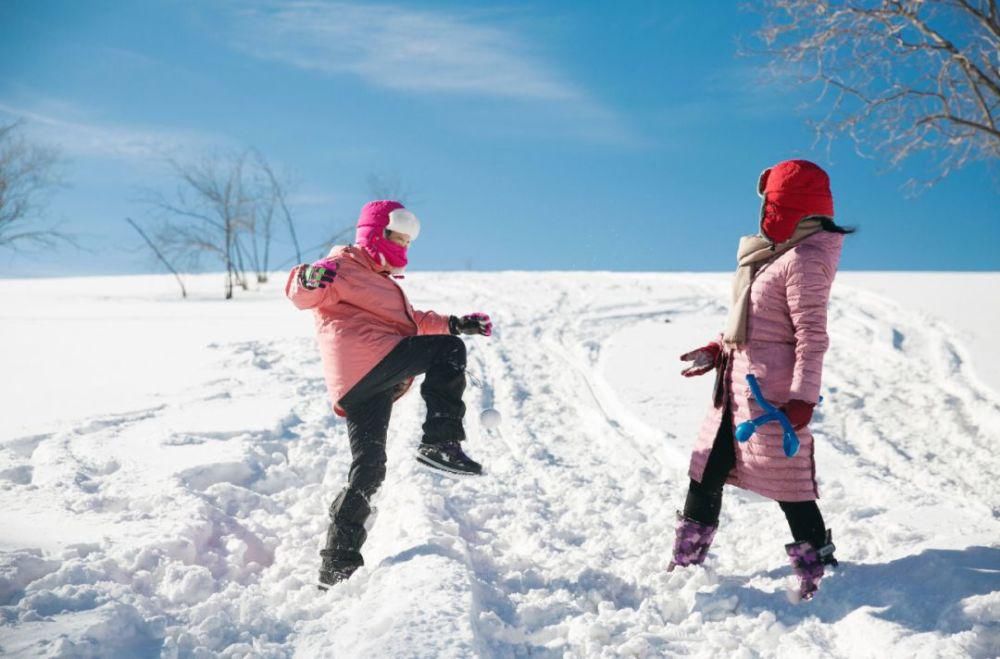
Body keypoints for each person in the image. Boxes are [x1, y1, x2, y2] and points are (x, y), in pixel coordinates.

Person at [286, 200, 492, 588]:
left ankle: (337, 564)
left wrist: (455, 323)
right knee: (448, 351)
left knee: (369, 469)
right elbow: (302, 290)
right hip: (370, 361)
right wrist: (309, 279)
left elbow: (414, 323)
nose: (402, 248)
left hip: (363, 385)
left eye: (408, 242)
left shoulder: (382, 283)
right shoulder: (344, 267)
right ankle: (440, 441)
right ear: (375, 233)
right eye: (396, 238)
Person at [673, 159, 853, 601]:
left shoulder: (806, 259)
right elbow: (758, 324)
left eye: (769, 203)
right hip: (734, 390)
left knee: (789, 486)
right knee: (705, 473)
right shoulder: (781, 253)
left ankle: (819, 568)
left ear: (787, 205)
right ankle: (684, 566)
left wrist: (802, 399)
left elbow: (812, 335)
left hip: (769, 397)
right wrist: (718, 348)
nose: (763, 213)